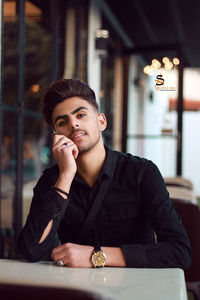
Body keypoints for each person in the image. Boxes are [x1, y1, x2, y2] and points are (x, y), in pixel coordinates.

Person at [18, 78, 191, 269]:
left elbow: (179, 252)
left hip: (135, 289)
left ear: (101, 122)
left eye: (81, 115)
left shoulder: (141, 172)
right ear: (56, 136)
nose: (73, 124)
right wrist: (66, 175)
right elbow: (30, 251)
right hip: (78, 290)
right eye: (62, 121)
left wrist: (96, 256)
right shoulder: (53, 180)